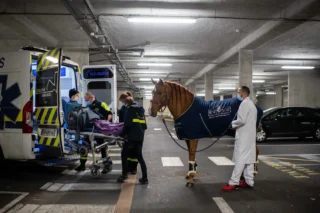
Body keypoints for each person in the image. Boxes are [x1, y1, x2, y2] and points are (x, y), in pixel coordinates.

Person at [222, 86, 257, 191]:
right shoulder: (252, 105)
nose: (237, 94)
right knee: (249, 159)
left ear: (243, 93)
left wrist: (231, 124)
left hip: (244, 136)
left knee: (241, 159)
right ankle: (249, 181)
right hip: (250, 136)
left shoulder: (244, 104)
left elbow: (241, 120)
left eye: (238, 92)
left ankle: (233, 182)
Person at [75, 92, 113, 172]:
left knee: (102, 146)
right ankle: (82, 165)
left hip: (99, 129)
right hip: (90, 129)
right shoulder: (89, 106)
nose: (85, 100)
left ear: (90, 97)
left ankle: (106, 165)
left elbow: (109, 113)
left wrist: (106, 122)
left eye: (86, 98)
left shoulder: (102, 104)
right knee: (84, 146)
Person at [117, 97, 148, 184]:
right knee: (140, 157)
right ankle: (145, 178)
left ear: (126, 103)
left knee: (124, 155)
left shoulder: (129, 110)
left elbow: (127, 125)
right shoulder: (141, 110)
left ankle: (124, 175)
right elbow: (145, 126)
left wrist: (121, 135)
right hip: (140, 138)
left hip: (131, 138)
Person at [118, 92, 139, 174]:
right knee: (130, 152)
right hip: (132, 133)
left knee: (132, 152)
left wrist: (122, 133)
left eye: (122, 101)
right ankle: (130, 168)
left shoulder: (133, 108)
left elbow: (123, 123)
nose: (122, 103)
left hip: (131, 133)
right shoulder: (125, 108)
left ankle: (132, 168)